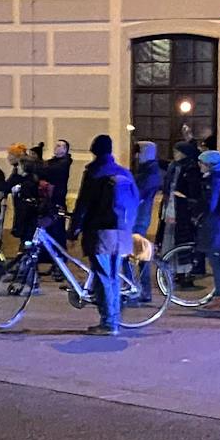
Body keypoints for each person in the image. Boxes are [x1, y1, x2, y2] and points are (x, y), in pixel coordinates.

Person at [71, 134, 140, 337]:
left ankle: (109, 323)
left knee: (104, 276)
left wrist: (74, 230)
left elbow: (83, 204)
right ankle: (114, 319)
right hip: (122, 231)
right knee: (113, 276)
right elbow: (136, 199)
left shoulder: (94, 172)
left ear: (94, 150)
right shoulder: (124, 172)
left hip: (101, 231)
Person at [195, 147, 220, 311]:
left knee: (217, 262)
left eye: (201, 163)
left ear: (209, 164)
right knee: (218, 261)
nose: (199, 166)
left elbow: (212, 203)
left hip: (216, 225)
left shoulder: (216, 179)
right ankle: (219, 293)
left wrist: (198, 210)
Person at [165, 140, 206, 280]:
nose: (175, 154)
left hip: (184, 211)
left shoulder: (191, 169)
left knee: (184, 241)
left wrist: (184, 197)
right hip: (172, 208)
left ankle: (185, 272)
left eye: (177, 152)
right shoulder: (175, 167)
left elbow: (194, 192)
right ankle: (174, 269)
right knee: (171, 239)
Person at [131, 141, 162, 303]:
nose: (136, 155)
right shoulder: (146, 170)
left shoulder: (150, 172)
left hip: (139, 217)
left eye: (138, 152)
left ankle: (140, 290)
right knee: (134, 253)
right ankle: (139, 289)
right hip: (137, 216)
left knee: (137, 253)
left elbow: (139, 193)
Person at [6, 145, 44, 249]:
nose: (17, 167)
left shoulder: (28, 183)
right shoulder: (25, 179)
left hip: (27, 215)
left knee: (27, 241)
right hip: (23, 213)